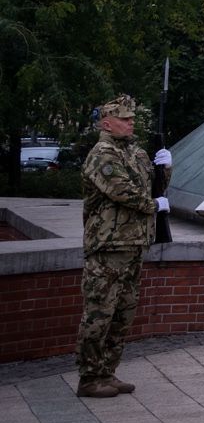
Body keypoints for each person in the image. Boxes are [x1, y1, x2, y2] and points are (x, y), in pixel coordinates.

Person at [75, 96, 166, 398]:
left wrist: (165, 169)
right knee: (99, 315)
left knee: (122, 316)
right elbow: (123, 192)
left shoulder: (135, 153)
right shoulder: (102, 154)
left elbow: (152, 185)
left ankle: (107, 372)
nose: (131, 123)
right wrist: (154, 205)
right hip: (108, 248)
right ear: (106, 123)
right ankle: (89, 378)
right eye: (125, 119)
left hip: (133, 245)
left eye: (131, 119)